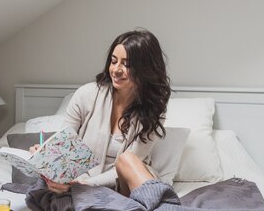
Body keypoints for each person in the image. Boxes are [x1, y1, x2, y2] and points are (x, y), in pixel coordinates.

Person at [32, 28, 171, 196]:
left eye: (126, 64)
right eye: (114, 61)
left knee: (127, 160)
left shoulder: (154, 109)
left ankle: (160, 208)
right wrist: (45, 155)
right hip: (79, 183)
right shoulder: (86, 94)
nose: (116, 70)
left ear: (145, 69)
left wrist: (84, 185)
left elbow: (133, 161)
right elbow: (63, 145)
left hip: (127, 184)